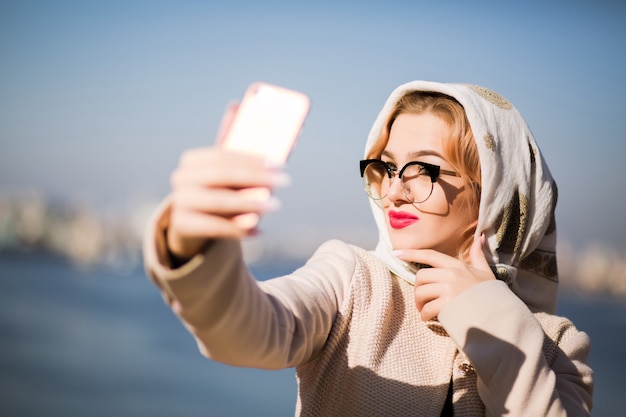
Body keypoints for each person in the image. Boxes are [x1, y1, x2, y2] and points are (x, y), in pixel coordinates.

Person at [143, 80, 593, 416]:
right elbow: (248, 331)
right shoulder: (351, 281)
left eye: (423, 170)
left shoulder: (556, 346)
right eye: (388, 166)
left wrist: (490, 315)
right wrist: (195, 245)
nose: (395, 190)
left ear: (493, 193)